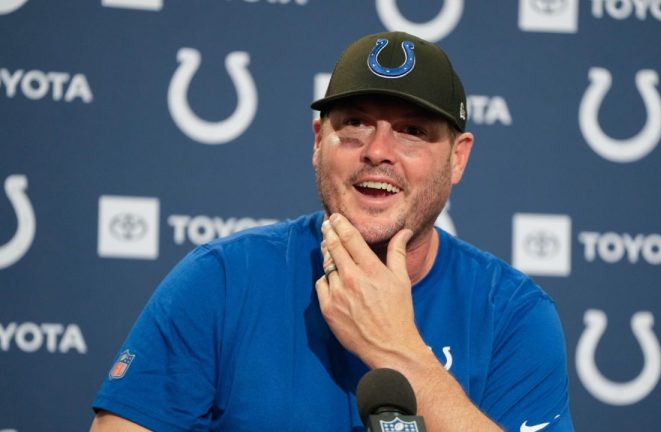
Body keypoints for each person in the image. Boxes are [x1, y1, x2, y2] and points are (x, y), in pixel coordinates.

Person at [90, 31, 574, 431]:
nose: (378, 150)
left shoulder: (512, 314)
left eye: (412, 131)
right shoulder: (219, 281)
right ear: (319, 142)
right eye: (356, 123)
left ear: (458, 159)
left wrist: (397, 349)